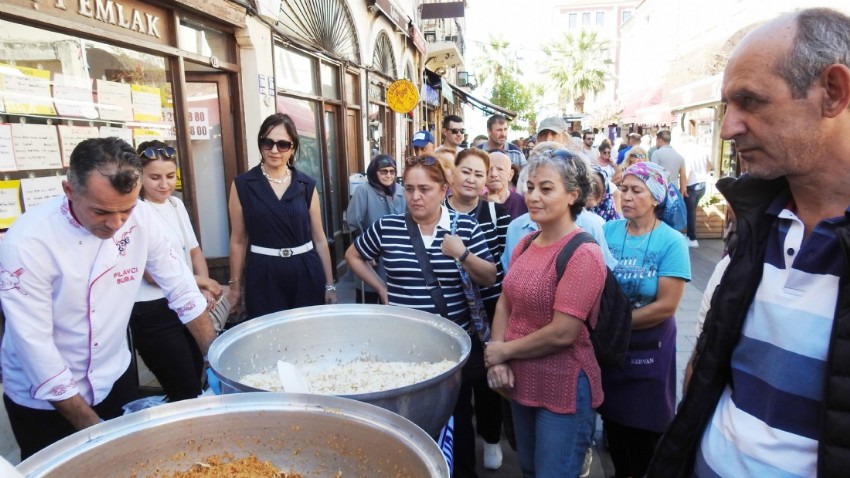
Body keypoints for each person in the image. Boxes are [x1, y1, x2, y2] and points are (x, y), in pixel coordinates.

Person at [649, 8, 850, 477]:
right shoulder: (759, 227)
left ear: (834, 92)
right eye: (726, 106)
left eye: (751, 102)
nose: (728, 128)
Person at [0, 137, 218, 459]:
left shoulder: (143, 218)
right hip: (44, 399)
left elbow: (182, 289)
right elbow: (36, 349)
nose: (116, 225)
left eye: (126, 210)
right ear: (69, 191)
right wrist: (97, 431)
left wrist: (217, 362)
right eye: (101, 211)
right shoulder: (27, 243)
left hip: (113, 375)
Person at [345, 155, 496, 478]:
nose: (415, 196)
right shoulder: (388, 227)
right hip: (400, 351)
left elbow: (490, 276)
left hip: (453, 350)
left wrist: (463, 254)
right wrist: (381, 287)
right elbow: (353, 255)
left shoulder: (464, 227)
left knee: (457, 419)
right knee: (404, 422)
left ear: (444, 190)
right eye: (409, 188)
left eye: (424, 189)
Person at [485, 149, 607, 477]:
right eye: (530, 187)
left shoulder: (584, 253)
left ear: (573, 195)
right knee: (528, 467)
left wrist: (502, 351)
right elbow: (505, 302)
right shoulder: (526, 243)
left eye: (546, 189)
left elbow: (562, 332)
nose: (533, 196)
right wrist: (498, 357)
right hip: (520, 381)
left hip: (564, 386)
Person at [599, 161, 691, 478]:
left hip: (648, 347)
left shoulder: (672, 241)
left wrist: (613, 325)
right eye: (623, 189)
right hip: (610, 348)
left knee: (644, 435)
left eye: (636, 190)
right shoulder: (605, 231)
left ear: (655, 198)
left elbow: (666, 305)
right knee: (614, 428)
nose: (626, 196)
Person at [129, 141, 222, 402]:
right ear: (139, 177)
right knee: (182, 385)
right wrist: (204, 281)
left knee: (197, 372)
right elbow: (151, 273)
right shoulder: (135, 211)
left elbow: (194, 251)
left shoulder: (175, 205)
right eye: (155, 177)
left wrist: (202, 288)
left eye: (170, 176)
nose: (164, 184)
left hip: (185, 300)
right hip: (153, 309)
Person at [227, 113, 337, 319]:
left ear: (293, 148)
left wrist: (329, 285)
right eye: (267, 143)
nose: (274, 150)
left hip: (305, 270)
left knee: (307, 338)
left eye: (283, 144)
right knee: (269, 340)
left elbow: (320, 239)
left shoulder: (306, 185)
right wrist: (235, 287)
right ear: (260, 144)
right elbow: (238, 240)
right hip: (262, 273)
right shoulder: (243, 185)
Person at [444, 148, 512, 470]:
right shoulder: (437, 211)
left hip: (490, 306)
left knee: (488, 377)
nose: (471, 179)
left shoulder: (498, 215)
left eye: (478, 174)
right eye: (466, 171)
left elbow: (501, 266)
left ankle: (491, 438)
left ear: (486, 181)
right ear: (452, 174)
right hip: (450, 307)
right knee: (454, 381)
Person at [344, 154, 405, 304]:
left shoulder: (401, 191)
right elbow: (353, 223)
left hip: (395, 256)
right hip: (371, 257)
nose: (389, 175)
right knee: (369, 303)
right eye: (384, 171)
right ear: (374, 172)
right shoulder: (363, 190)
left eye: (392, 171)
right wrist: (365, 252)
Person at [682, 144, 712, 248]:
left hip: (692, 184)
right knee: (692, 211)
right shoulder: (703, 152)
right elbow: (709, 167)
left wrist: (683, 186)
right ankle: (690, 235)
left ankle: (692, 238)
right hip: (702, 184)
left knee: (690, 212)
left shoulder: (688, 154)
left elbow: (688, 171)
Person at [486, 151, 528, 220]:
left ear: (510, 175)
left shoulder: (523, 203)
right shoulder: (477, 202)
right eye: (489, 169)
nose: (494, 174)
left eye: (500, 169)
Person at [650, 129, 687, 199]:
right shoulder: (679, 156)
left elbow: (653, 173)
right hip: (674, 189)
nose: (656, 143)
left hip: (661, 189)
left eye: (656, 141)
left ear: (660, 140)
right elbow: (683, 177)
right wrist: (681, 194)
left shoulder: (656, 154)